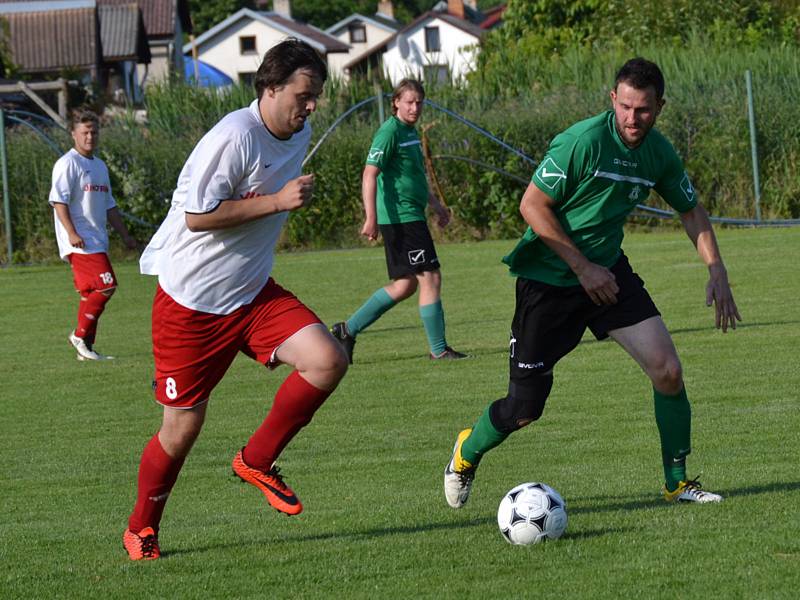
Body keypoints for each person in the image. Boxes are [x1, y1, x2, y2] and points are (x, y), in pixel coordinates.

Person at [444, 58, 741, 509]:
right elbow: (532, 206)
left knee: (668, 370)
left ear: (660, 106)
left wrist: (716, 267)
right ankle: (467, 450)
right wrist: (583, 268)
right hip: (548, 279)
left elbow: (690, 208)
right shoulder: (582, 142)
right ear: (612, 100)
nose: (631, 118)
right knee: (524, 410)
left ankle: (677, 483)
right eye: (624, 107)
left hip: (607, 272)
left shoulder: (658, 152)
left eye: (643, 109)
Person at [123, 39, 349, 561]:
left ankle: (257, 460)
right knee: (181, 429)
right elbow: (197, 217)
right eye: (304, 93)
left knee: (327, 360)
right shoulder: (233, 137)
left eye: (316, 96)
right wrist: (275, 201)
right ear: (270, 88)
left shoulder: (300, 131)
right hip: (192, 306)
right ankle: (141, 528)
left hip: (252, 293)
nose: (311, 105)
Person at [330, 79, 466, 362]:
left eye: (419, 102)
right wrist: (371, 218)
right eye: (409, 102)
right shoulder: (389, 131)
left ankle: (347, 329)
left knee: (406, 285)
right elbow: (370, 174)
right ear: (396, 103)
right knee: (430, 276)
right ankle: (439, 350)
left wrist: (437, 206)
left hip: (412, 215)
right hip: (401, 219)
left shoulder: (410, 132)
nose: (415, 107)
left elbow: (415, 177)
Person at [49, 109, 138, 361]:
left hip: (97, 240)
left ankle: (85, 347)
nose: (90, 136)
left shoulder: (99, 166)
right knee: (106, 285)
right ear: (73, 134)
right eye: (85, 132)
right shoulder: (68, 163)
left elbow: (109, 205)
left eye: (94, 131)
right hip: (80, 241)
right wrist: (72, 233)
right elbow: (58, 202)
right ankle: (78, 335)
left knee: (91, 294)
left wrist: (125, 235)